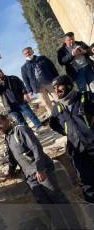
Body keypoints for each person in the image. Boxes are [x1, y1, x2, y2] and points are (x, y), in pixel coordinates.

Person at [0, 114, 78, 230]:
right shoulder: (7, 137)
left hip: (42, 170)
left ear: (7, 121)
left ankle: (75, 227)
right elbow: (13, 158)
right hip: (30, 176)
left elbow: (36, 148)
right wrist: (10, 173)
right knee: (46, 204)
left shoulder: (20, 130)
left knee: (57, 198)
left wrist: (39, 169)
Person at [49, 75, 94, 203]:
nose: (56, 90)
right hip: (78, 151)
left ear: (68, 85)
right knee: (87, 184)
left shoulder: (86, 97)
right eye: (54, 88)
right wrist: (70, 133)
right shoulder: (56, 109)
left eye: (59, 86)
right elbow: (55, 125)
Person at [21, 46, 59, 114]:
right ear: (24, 55)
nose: (28, 54)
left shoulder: (42, 58)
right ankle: (54, 116)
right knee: (46, 103)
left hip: (49, 82)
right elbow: (26, 80)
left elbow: (52, 67)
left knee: (57, 97)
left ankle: (65, 110)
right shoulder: (24, 67)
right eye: (26, 53)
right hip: (37, 87)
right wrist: (29, 90)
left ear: (32, 51)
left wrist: (57, 78)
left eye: (29, 52)